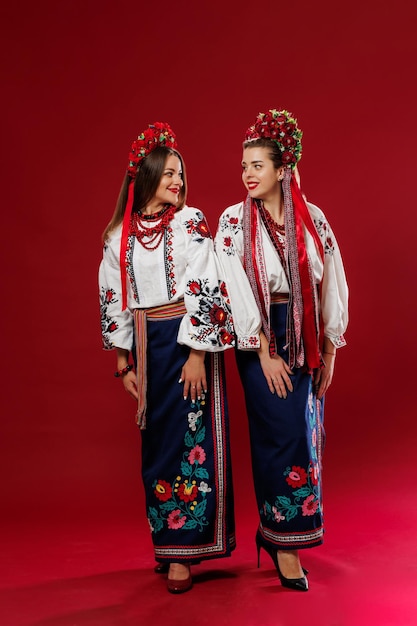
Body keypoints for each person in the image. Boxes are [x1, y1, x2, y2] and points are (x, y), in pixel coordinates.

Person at [99, 122, 235, 594]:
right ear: (148, 175)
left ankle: (186, 553)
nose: (178, 181)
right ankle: (167, 539)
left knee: (190, 443)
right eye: (170, 173)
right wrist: (124, 364)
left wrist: (197, 353)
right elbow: (112, 295)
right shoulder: (118, 234)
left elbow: (206, 283)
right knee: (156, 448)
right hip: (147, 345)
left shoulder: (190, 220)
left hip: (186, 341)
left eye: (181, 174)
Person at [215, 109, 348, 591]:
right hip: (263, 334)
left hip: (307, 332)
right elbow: (232, 288)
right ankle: (284, 542)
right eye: (244, 166)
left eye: (257, 165)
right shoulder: (233, 222)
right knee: (281, 433)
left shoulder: (312, 219)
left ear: (282, 169)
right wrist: (263, 351)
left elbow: (330, 279)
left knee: (307, 434)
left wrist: (330, 347)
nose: (247, 174)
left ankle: (282, 535)